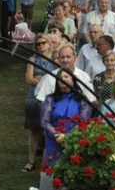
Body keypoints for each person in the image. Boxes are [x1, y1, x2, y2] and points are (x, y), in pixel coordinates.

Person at [39, 66, 94, 169]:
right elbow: (44, 122)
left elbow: (84, 122)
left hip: (75, 140)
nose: (62, 79)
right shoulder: (50, 99)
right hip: (54, 140)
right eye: (60, 77)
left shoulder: (82, 99)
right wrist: (58, 135)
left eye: (66, 76)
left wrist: (68, 137)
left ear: (73, 80)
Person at [23, 36, 56, 173]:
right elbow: (29, 79)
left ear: (49, 44)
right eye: (38, 44)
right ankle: (31, 161)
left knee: (50, 129)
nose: (41, 46)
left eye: (44, 43)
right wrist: (44, 80)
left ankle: (50, 160)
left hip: (50, 96)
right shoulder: (32, 60)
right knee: (34, 130)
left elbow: (56, 78)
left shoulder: (54, 59)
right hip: (34, 97)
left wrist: (40, 79)